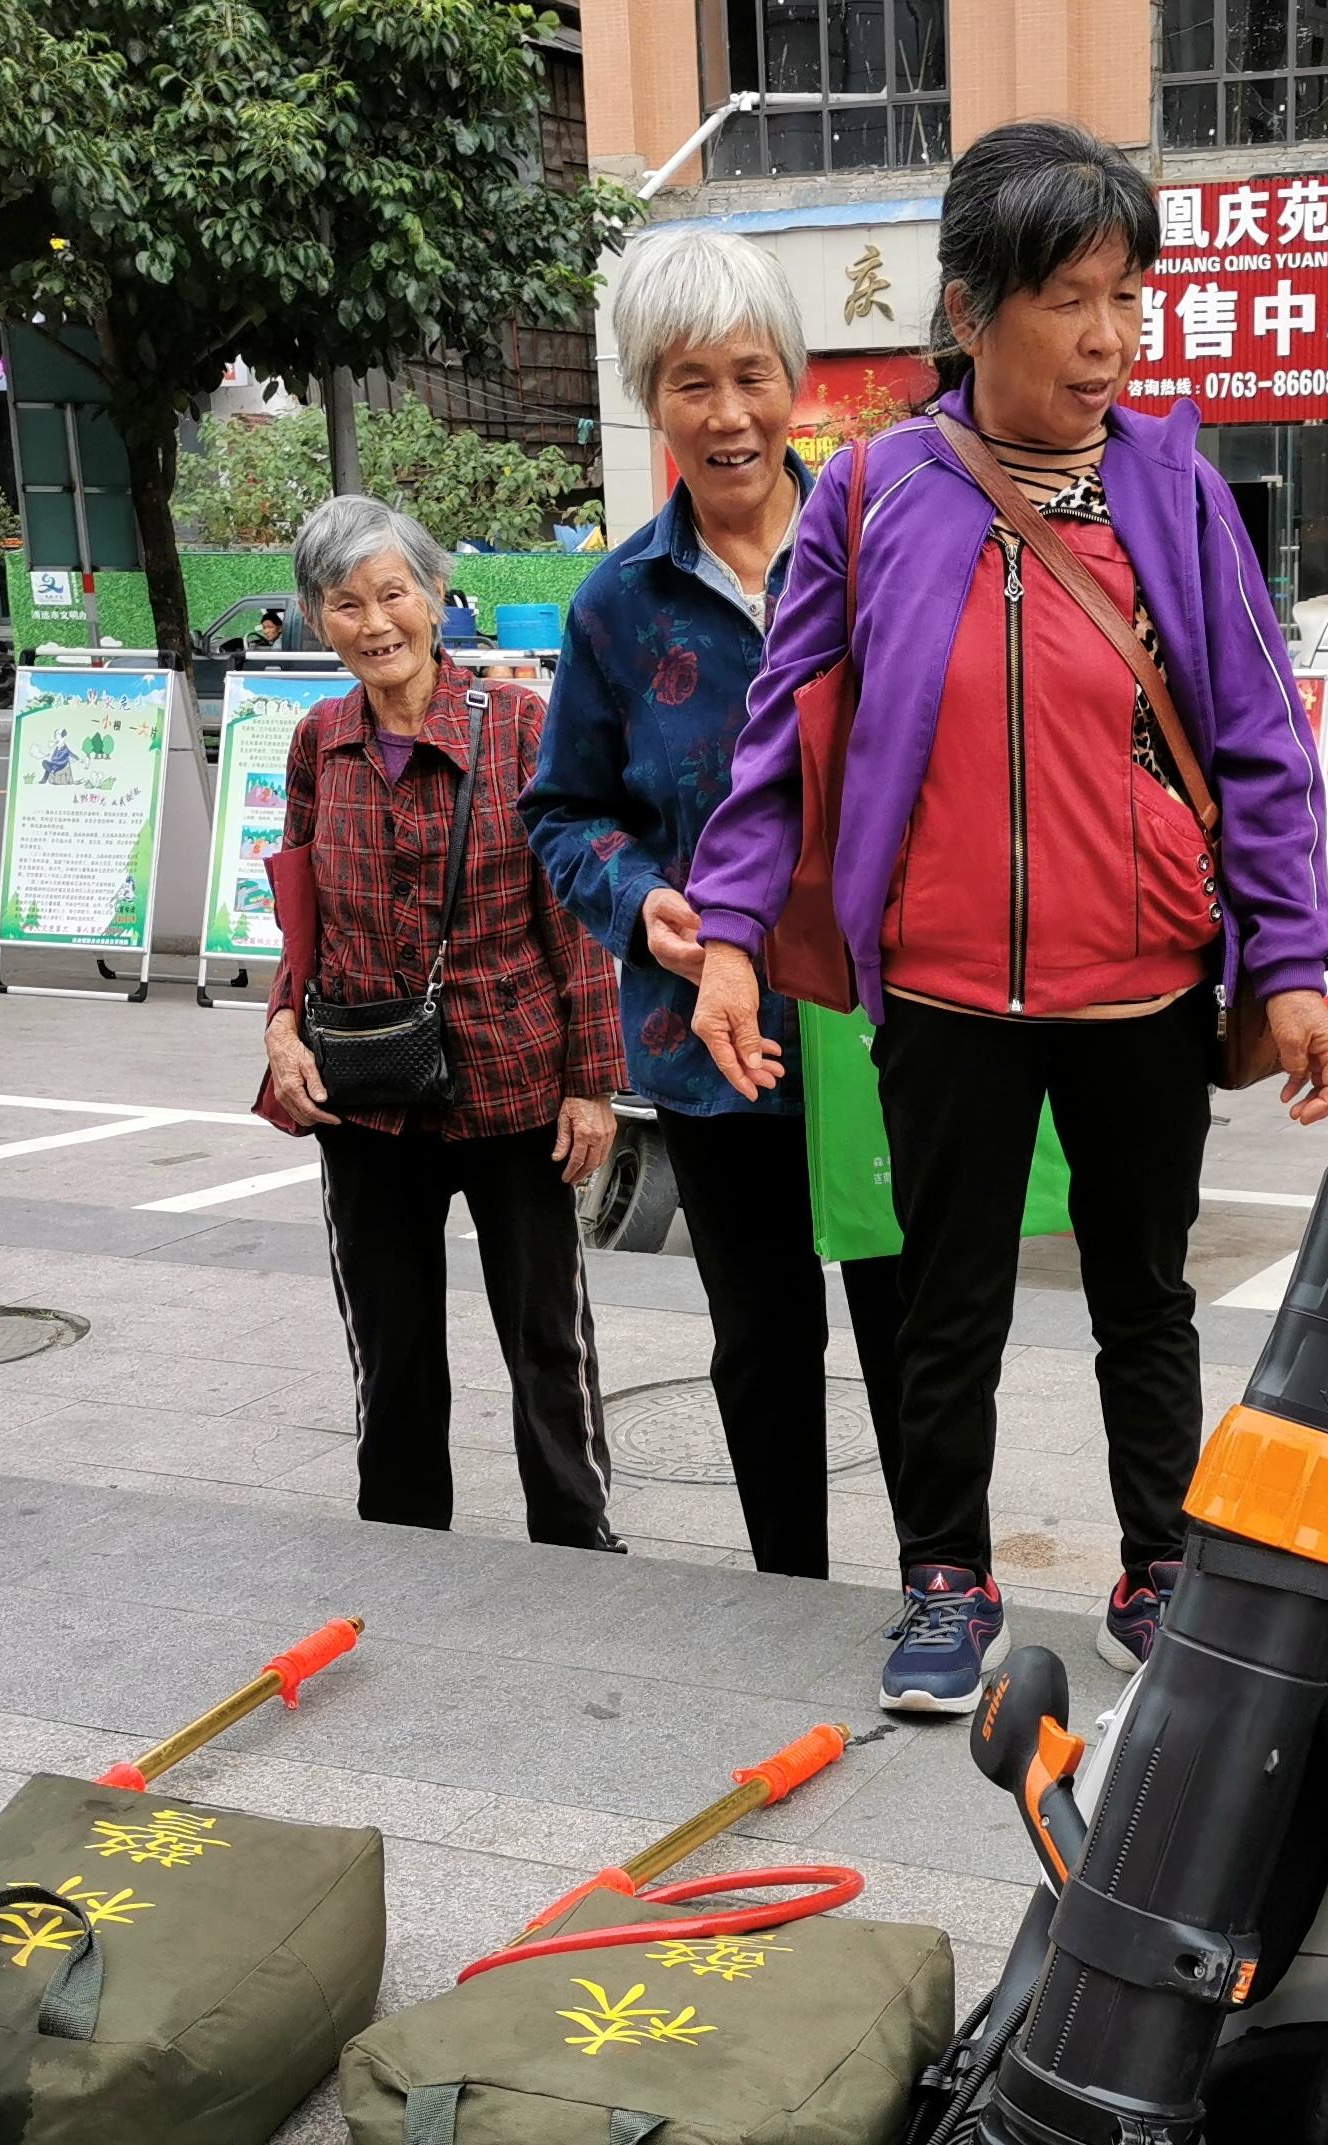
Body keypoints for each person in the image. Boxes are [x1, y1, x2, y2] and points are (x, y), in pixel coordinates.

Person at [683, 118, 1328, 1714]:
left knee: (1148, 1295)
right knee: (944, 1301)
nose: (1110, 338)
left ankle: (1162, 1566)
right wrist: (725, 930)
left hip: (1142, 991)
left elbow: (1260, 739)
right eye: (1070, 298)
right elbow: (781, 727)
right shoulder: (869, 495)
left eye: (1127, 295)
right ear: (972, 311)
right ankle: (944, 1579)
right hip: (947, 992)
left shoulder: (1179, 493)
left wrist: (1296, 961)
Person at [527, 226, 910, 1580]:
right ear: (653, 399)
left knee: (910, 1317)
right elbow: (564, 812)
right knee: (760, 1334)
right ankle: (786, 1590)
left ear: (793, 380)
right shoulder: (617, 606)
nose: (730, 413)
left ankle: (942, 1579)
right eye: (692, 381)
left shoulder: (884, 553)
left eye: (753, 374)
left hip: (885, 1028)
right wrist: (640, 905)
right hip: (712, 1039)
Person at [257, 493, 628, 1548]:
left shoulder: (519, 722)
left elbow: (578, 912)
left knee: (545, 1338)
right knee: (391, 1338)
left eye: (392, 592)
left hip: (514, 1083)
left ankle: (575, 1531)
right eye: (344, 603)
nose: (375, 622)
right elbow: (302, 915)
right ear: (317, 618)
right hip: (366, 1092)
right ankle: (402, 1539)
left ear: (433, 596)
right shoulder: (316, 741)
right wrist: (283, 1025)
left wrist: (592, 1082)